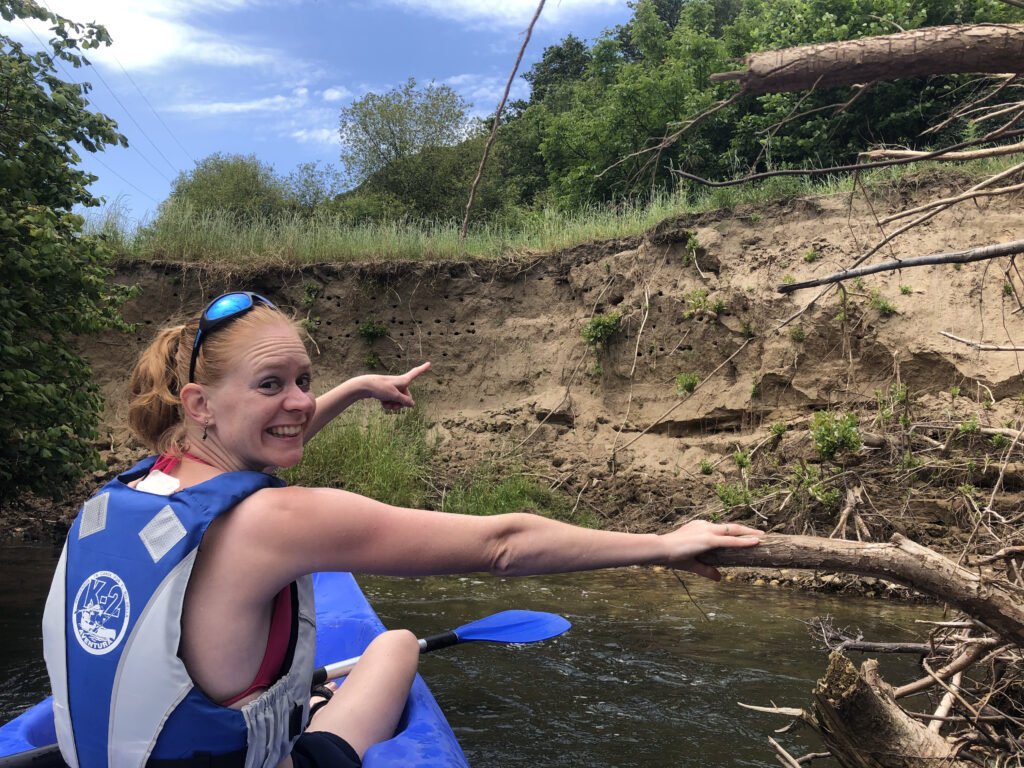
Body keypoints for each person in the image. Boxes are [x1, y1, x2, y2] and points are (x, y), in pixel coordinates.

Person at [42, 291, 763, 768]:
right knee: (391, 648)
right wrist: (665, 544)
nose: (298, 402)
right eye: (273, 385)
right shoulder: (282, 523)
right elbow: (502, 543)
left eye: (305, 380)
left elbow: (254, 452)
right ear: (200, 402)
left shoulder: (134, 487)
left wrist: (354, 390)